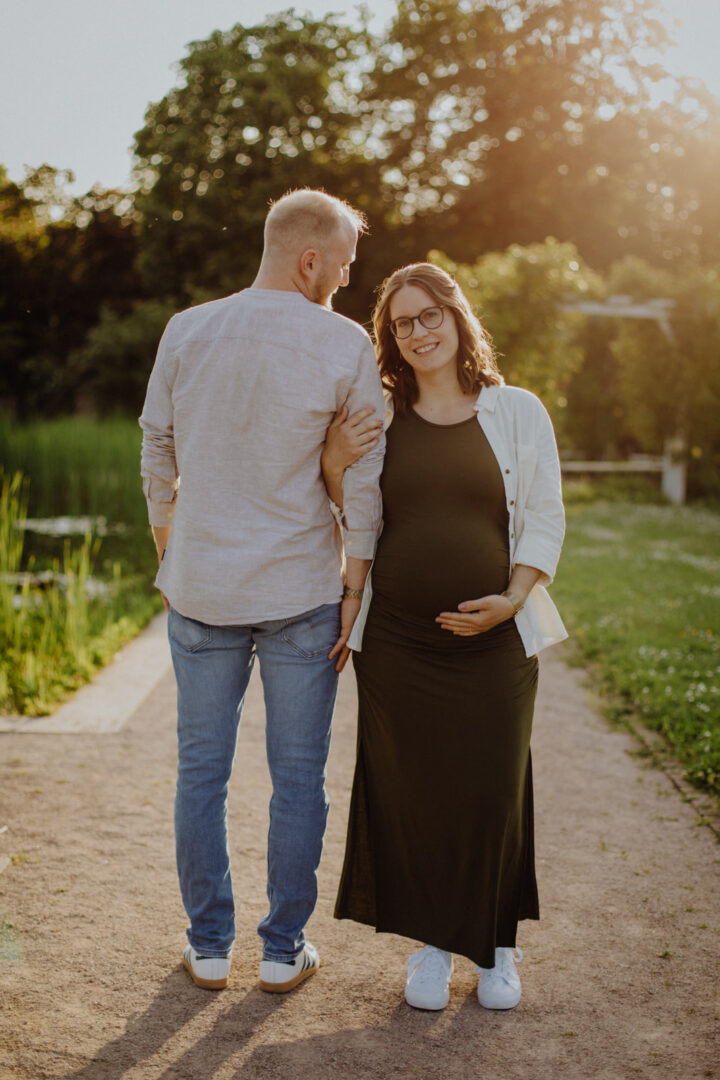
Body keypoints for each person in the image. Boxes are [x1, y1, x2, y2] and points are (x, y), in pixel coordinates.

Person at [139, 189, 385, 993]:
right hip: (303, 592)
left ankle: (209, 946)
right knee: (299, 778)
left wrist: (171, 548)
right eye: (343, 268)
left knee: (199, 774)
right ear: (309, 260)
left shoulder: (187, 328)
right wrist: (356, 584)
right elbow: (367, 481)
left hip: (201, 588)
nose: (344, 283)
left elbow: (156, 444)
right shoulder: (346, 345)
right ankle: (283, 950)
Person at [321, 262, 566, 1012]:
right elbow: (355, 511)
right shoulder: (381, 415)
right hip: (397, 642)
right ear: (389, 338)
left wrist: (512, 598)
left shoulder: (517, 410)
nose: (419, 331)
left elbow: (547, 516)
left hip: (496, 640)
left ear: (458, 319)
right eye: (402, 323)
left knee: (491, 787)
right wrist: (333, 467)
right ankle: (432, 942)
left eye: (430, 315)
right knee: (417, 789)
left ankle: (496, 944)